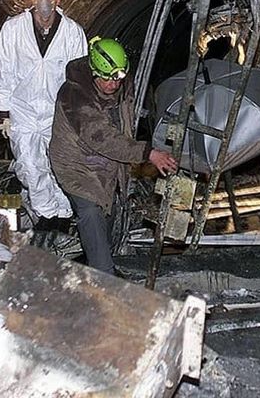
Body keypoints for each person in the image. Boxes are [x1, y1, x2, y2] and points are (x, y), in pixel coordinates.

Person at [49, 37, 178, 274]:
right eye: (107, 78)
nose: (113, 84)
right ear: (93, 71)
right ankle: (104, 279)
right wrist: (147, 153)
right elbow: (102, 137)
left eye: (118, 78)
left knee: (110, 210)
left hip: (107, 163)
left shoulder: (122, 81)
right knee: (90, 211)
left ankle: (97, 263)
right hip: (75, 164)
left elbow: (123, 122)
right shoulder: (74, 95)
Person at [0, 0, 88, 222]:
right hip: (22, 110)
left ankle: (64, 211)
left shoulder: (72, 32)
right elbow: (3, 70)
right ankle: (46, 214)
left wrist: (79, 114)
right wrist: (2, 112)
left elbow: (79, 77)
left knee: (60, 164)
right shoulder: (12, 30)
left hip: (58, 112)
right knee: (30, 166)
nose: (44, 1)